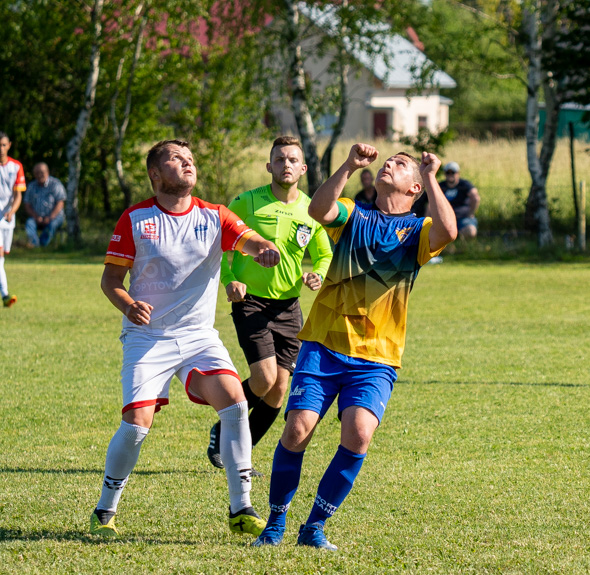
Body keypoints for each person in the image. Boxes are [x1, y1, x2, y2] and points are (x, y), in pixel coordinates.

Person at [253, 144, 457, 550]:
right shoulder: (353, 213)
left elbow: (448, 232)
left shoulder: (418, 231)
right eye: (388, 160)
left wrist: (433, 175)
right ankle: (275, 523)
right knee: (297, 430)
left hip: (377, 356)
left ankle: (313, 527)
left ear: (414, 186)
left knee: (359, 435)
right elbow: (320, 211)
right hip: (324, 344)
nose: (389, 164)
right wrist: (348, 165)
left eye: (400, 164)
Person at [90, 139, 282, 539]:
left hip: (198, 337)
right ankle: (105, 511)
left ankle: (241, 506)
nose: (187, 163)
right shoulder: (135, 218)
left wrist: (263, 249)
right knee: (137, 424)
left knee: (234, 399)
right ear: (155, 174)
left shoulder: (215, 215)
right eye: (175, 159)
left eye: (190, 158)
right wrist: (128, 305)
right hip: (148, 338)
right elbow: (111, 280)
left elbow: (248, 240)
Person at [206, 136, 333, 475]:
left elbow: (324, 254)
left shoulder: (312, 209)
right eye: (279, 159)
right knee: (263, 380)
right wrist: (231, 279)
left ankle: (240, 454)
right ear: (269, 166)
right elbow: (223, 244)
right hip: (251, 303)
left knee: (279, 389)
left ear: (303, 168)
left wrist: (317, 274)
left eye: (292, 160)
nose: (286, 165)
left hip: (289, 307)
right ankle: (223, 426)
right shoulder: (247, 202)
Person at [0, 132, 25, 308]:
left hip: (7, 218)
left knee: (3, 256)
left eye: (3, 145)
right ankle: (5, 295)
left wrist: (12, 211)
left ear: (9, 145)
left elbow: (18, 194)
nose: (0, 148)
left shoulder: (16, 167)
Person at [23, 162, 66, 248]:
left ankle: (43, 245)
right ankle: (35, 245)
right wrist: (36, 217)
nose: (39, 175)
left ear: (47, 172)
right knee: (29, 223)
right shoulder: (31, 186)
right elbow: (27, 204)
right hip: (37, 217)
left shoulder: (55, 184)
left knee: (53, 224)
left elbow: (60, 203)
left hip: (54, 217)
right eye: (37, 173)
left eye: (41, 172)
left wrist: (50, 217)